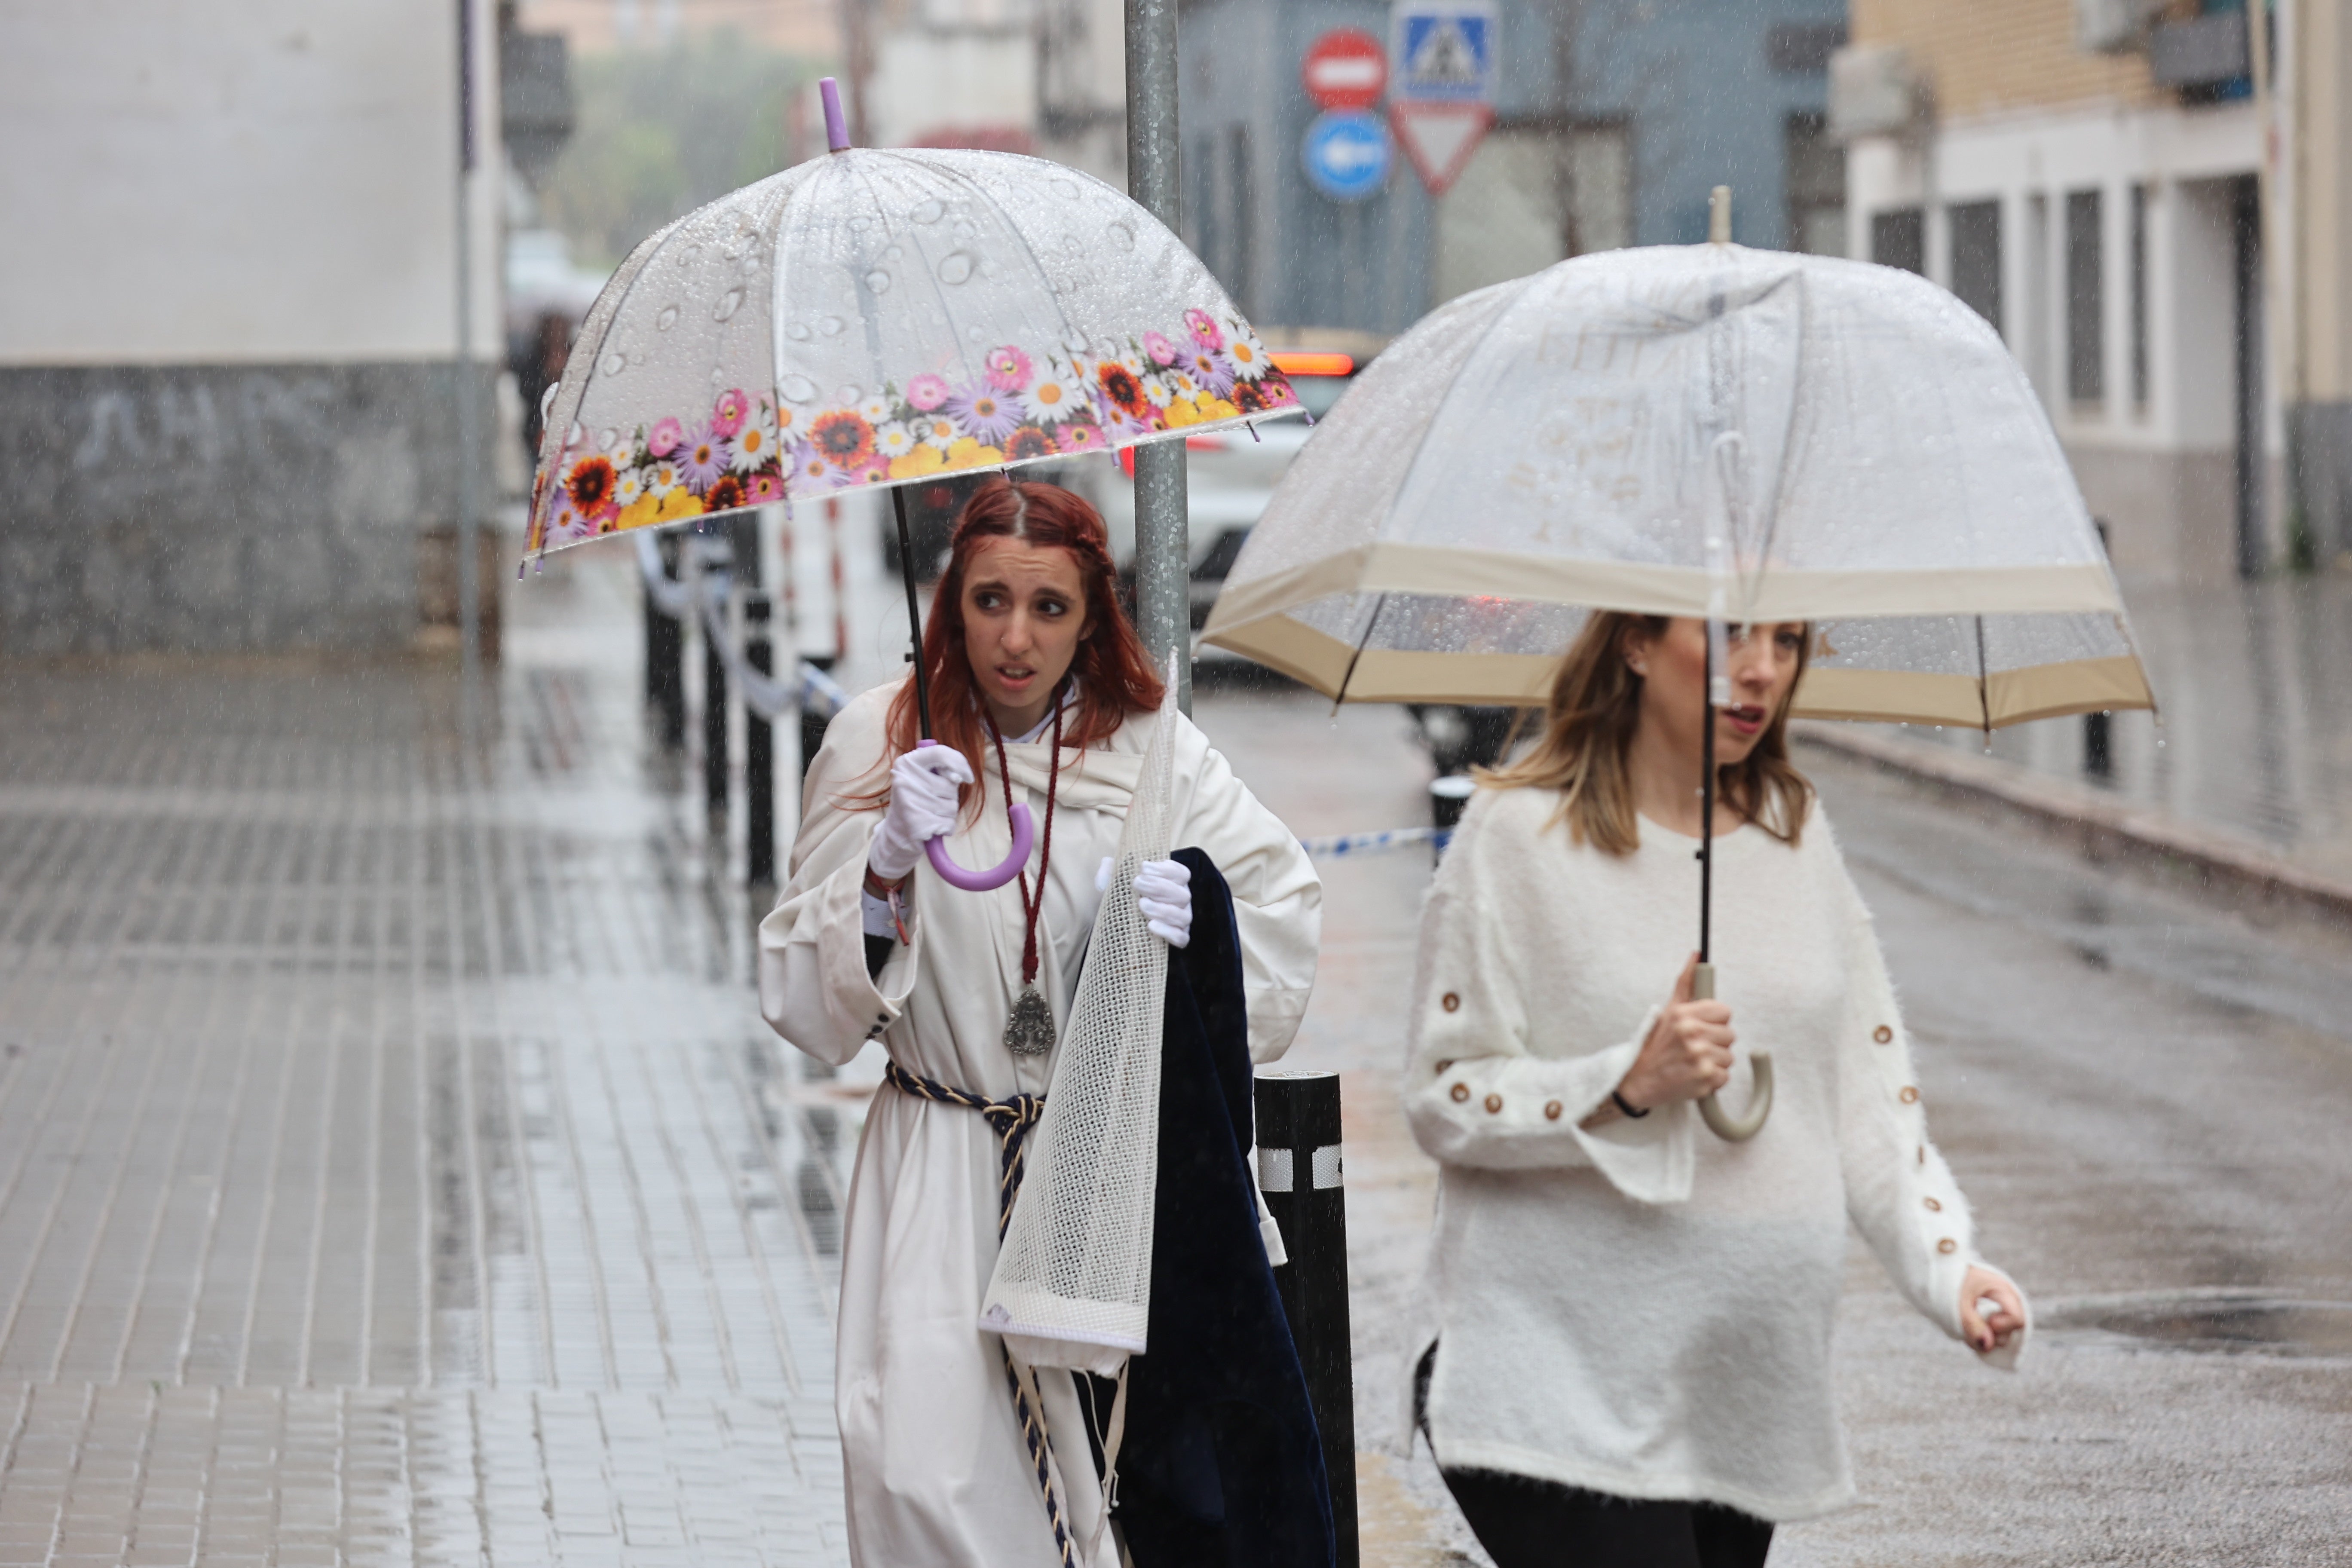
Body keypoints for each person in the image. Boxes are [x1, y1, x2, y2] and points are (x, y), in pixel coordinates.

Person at [759, 478, 1320, 1568]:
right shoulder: (879, 743)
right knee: (922, 1474)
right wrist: (878, 876)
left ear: (1093, 614)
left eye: (1049, 607)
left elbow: (1283, 918)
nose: (1015, 639)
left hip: (1105, 1172)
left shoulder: (1156, 749)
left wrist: (1203, 924)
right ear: (950, 603)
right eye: (989, 601)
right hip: (940, 1166)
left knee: (1105, 1490)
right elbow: (798, 997)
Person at [1403, 612, 2028, 1568]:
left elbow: (1864, 1093)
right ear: (1636, 643)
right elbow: (1446, 1095)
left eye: (1786, 641)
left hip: (1738, 1378)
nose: (1762, 670)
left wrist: (1950, 1268)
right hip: (1557, 1372)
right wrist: (1624, 1084)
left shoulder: (1793, 830)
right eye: (1733, 632)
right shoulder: (1518, 832)